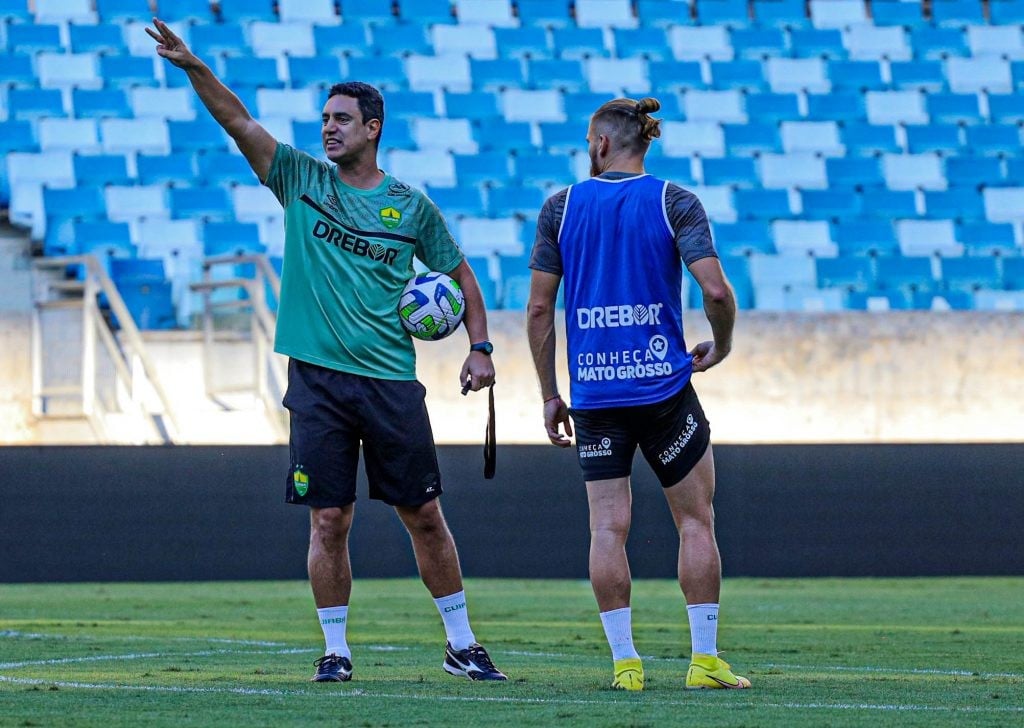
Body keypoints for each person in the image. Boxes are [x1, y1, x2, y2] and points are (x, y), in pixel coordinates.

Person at [147, 18, 506, 683]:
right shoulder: (299, 179)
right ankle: (335, 651)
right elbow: (241, 124)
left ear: (373, 128)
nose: (328, 127)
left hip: (391, 384)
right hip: (316, 382)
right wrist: (195, 68)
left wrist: (479, 347)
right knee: (329, 519)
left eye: (342, 118)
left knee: (424, 515)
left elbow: (462, 279)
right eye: (324, 118)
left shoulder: (411, 207)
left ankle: (461, 645)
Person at [526, 97, 749, 692]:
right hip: (664, 390)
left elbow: (541, 307)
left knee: (607, 529)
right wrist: (720, 346)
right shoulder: (674, 201)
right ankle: (703, 661)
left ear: (600, 143)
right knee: (696, 523)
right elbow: (718, 293)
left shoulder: (561, 207)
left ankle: (626, 663)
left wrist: (551, 393)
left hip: (595, 395)